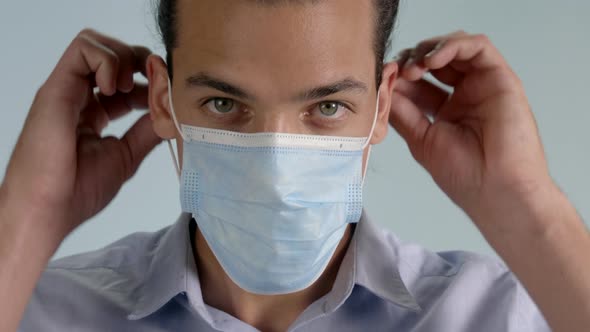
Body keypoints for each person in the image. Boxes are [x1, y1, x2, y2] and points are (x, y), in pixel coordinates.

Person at [1, 0, 589, 331]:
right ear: (163, 100)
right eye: (225, 103)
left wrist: (527, 207)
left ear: (381, 104)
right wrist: (27, 218)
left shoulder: (498, 317)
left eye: (327, 106)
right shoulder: (40, 311)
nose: (274, 172)